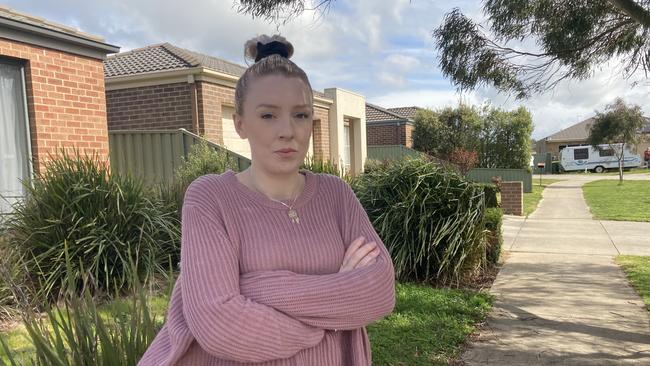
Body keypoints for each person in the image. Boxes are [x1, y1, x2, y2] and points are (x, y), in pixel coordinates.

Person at [138, 35, 396, 366]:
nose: (288, 130)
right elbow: (218, 324)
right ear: (240, 124)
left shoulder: (336, 194)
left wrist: (255, 289)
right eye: (268, 116)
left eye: (301, 115)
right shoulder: (210, 197)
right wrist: (333, 310)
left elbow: (379, 291)